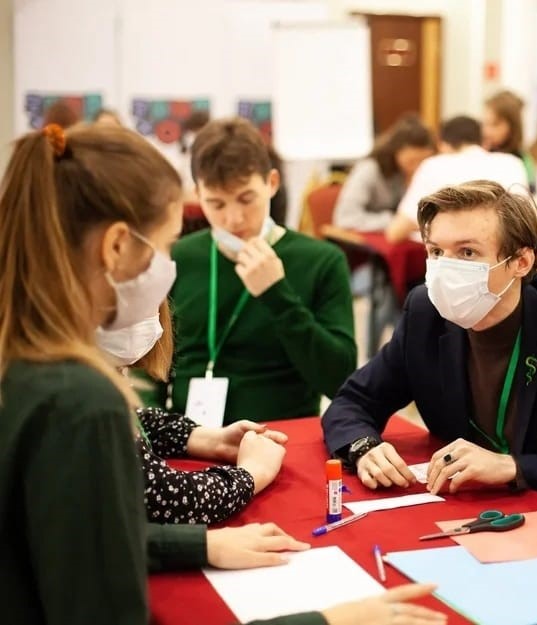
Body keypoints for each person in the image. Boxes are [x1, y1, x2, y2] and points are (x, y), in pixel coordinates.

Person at [0, 123, 445, 625]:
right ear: (117, 246)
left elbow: (87, 539)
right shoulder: (84, 400)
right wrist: (330, 621)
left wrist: (198, 522)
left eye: (245, 200)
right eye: (165, 244)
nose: (232, 219)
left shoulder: (29, 363)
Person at [324, 181, 537, 517]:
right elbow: (352, 402)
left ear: (521, 262)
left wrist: (515, 467)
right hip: (462, 512)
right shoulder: (425, 312)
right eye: (436, 252)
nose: (445, 269)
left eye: (467, 253)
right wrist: (363, 447)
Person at [157, 117, 356, 424]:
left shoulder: (322, 260)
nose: (234, 219)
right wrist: (160, 433)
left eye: (246, 199)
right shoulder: (179, 257)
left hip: (283, 434)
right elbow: (150, 367)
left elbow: (339, 380)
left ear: (272, 183)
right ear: (197, 193)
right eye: (216, 204)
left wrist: (277, 295)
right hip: (193, 436)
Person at [98, 300, 288, 524]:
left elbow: (134, 419)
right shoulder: (82, 386)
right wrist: (252, 473)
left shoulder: (98, 372)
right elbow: (163, 497)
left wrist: (208, 439)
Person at [385, 116, 529, 243]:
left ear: (442, 145)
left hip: (457, 260)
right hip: (509, 256)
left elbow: (395, 232)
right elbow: (526, 223)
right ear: (483, 141)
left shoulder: (434, 166)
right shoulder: (513, 163)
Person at [334, 114, 435, 232]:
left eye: (423, 161)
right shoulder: (369, 169)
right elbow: (345, 219)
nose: (417, 167)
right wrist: (393, 221)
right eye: (411, 161)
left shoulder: (423, 172)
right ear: (396, 151)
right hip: (367, 236)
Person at [481, 90, 535, 188]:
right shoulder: (481, 153)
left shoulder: (522, 160)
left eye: (495, 124)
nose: (486, 131)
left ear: (513, 126)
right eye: (485, 123)